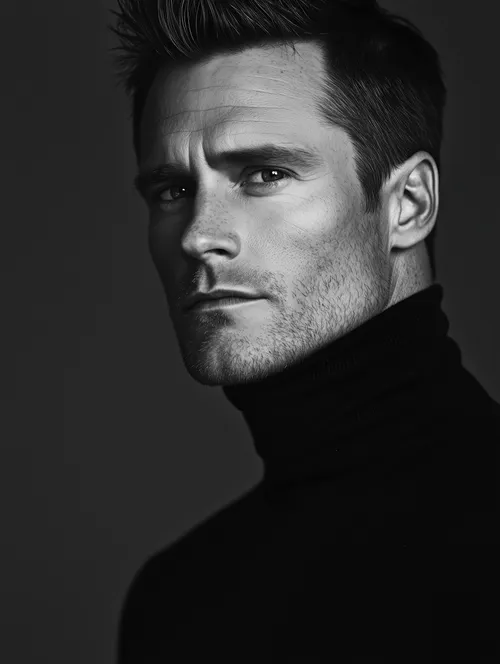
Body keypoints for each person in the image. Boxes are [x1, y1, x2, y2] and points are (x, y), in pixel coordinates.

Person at [108, 0, 499, 660]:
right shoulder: (177, 601)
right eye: (172, 190)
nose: (199, 236)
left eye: (265, 174)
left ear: (408, 205)